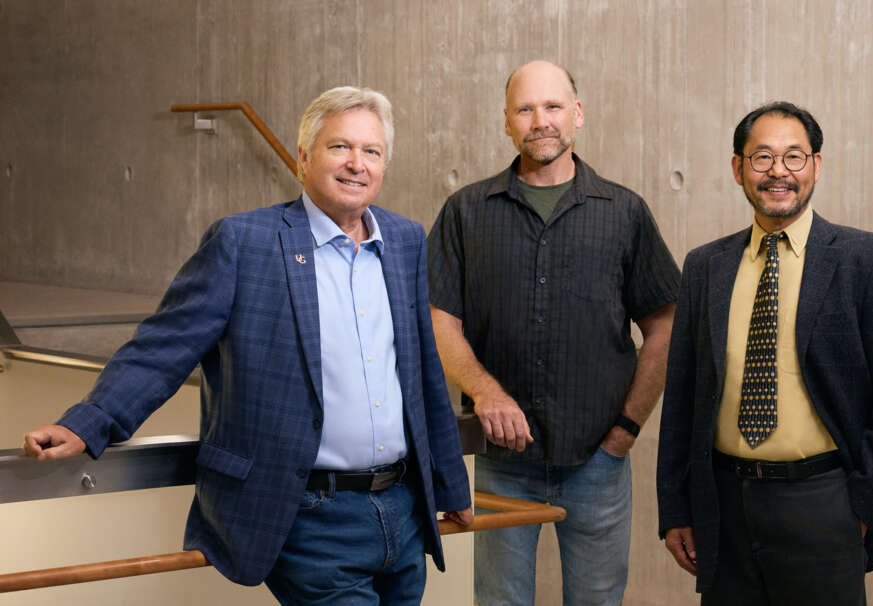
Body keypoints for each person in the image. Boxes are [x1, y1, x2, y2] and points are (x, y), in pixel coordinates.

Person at [22, 86, 473, 605]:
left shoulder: (405, 240)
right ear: (304, 157)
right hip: (309, 517)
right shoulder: (244, 242)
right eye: (339, 147)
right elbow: (164, 347)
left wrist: (451, 485)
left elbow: (421, 375)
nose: (357, 164)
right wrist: (88, 421)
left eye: (371, 152)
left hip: (402, 511)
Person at [427, 60, 680, 605]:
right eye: (525, 108)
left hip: (598, 462)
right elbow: (438, 320)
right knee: (499, 603)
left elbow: (665, 328)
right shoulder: (466, 211)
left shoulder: (624, 212)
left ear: (578, 115)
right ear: (506, 121)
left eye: (553, 106)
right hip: (499, 461)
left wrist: (625, 432)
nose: (540, 120)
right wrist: (487, 391)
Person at [657, 101, 873, 605]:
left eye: (794, 157)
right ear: (738, 168)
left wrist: (863, 504)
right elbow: (683, 398)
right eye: (762, 157)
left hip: (824, 503)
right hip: (724, 506)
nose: (778, 171)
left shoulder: (867, 260)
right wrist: (675, 509)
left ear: (816, 166)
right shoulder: (706, 266)